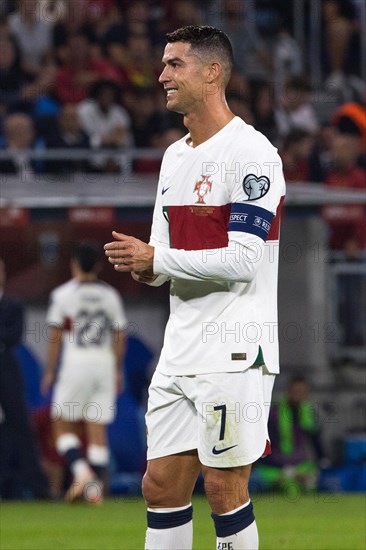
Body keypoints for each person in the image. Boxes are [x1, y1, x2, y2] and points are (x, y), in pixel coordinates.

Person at [104, 25, 285, 550]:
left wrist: (158, 257)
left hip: (233, 348)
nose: (161, 75)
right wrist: (145, 266)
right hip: (180, 347)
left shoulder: (253, 155)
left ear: (212, 74)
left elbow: (243, 260)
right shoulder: (174, 157)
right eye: (163, 64)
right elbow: (165, 257)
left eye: (174, 64)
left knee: (225, 487)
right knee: (159, 485)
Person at [41, 242, 127, 504]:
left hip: (76, 363)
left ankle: (82, 473)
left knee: (60, 421)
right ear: (99, 266)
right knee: (97, 429)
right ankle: (95, 490)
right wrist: (117, 370)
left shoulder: (63, 294)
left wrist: (50, 370)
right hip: (103, 364)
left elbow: (55, 334)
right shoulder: (111, 295)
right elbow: (119, 335)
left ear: (74, 264)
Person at [0, 258, 49, 499]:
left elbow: (13, 336)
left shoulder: (13, 305)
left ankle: (38, 488)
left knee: (21, 428)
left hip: (7, 372)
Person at [255, 376, 329, 494]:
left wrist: (322, 462)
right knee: (260, 481)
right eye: (295, 391)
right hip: (274, 466)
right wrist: (285, 469)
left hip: (300, 465)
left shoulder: (308, 412)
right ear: (288, 391)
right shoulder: (274, 413)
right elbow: (265, 442)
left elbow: (316, 439)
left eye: (302, 392)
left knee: (317, 482)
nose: (298, 395)